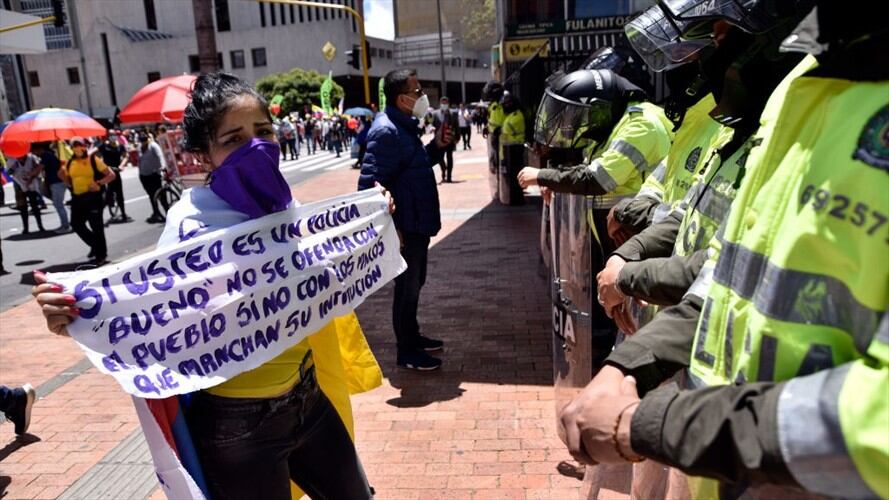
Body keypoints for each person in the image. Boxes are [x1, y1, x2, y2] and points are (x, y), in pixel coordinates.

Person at [558, 1, 889, 498]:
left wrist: (658, 425)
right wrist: (630, 363)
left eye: (717, 34)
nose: (702, 59)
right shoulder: (802, 87)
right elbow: (729, 270)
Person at [33, 72, 380, 500]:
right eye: (233, 138)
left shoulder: (285, 203)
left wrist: (373, 226)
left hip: (308, 399)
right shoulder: (190, 224)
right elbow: (152, 309)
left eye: (263, 131)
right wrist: (79, 314)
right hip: (240, 427)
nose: (256, 145)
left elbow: (321, 275)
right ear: (205, 155)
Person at [358, 68, 453, 371]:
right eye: (417, 91)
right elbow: (370, 186)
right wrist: (392, 228)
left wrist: (436, 146)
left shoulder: (403, 127)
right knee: (407, 287)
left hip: (417, 222)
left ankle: (413, 336)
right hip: (405, 228)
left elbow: (414, 166)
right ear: (401, 98)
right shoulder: (386, 131)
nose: (422, 96)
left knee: (416, 282)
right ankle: (407, 351)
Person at [61, 136, 115, 264]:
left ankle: (101, 254)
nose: (77, 148)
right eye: (74, 145)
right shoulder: (69, 163)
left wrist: (99, 183)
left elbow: (111, 175)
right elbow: (68, 181)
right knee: (76, 224)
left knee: (96, 226)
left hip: (93, 197)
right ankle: (95, 245)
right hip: (77, 198)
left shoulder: (93, 160)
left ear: (85, 146)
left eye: (79, 145)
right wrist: (63, 177)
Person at [33, 142, 70, 233]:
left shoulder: (46, 155)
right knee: (58, 204)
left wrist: (30, 174)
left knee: (58, 205)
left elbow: (39, 169)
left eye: (34, 151)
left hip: (57, 182)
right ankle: (65, 225)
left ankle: (65, 226)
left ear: (39, 149)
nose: (34, 153)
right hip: (56, 182)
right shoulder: (47, 155)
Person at [7, 150, 46, 234]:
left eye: (21, 157)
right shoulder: (12, 161)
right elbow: (9, 173)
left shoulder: (31, 158)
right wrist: (12, 169)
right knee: (23, 208)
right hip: (19, 186)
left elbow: (38, 168)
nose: (20, 158)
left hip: (32, 185)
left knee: (34, 206)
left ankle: (40, 226)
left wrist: (31, 177)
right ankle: (26, 228)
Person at [98, 133, 132, 223]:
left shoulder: (120, 146)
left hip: (116, 172)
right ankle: (98, 214)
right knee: (108, 195)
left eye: (115, 135)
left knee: (119, 194)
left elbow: (126, 156)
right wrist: (103, 166)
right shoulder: (104, 146)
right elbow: (96, 155)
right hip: (107, 172)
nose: (113, 137)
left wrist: (122, 165)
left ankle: (123, 214)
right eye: (111, 135)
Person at [138, 133, 167, 223]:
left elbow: (160, 156)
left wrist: (163, 166)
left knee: (161, 195)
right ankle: (156, 212)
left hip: (154, 174)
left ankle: (167, 211)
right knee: (151, 195)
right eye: (141, 141)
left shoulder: (153, 146)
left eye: (144, 141)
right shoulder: (139, 147)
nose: (143, 143)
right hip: (144, 175)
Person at [432, 96, 459, 183]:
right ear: (440, 104)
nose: (444, 104)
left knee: (449, 157)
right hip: (439, 140)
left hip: (449, 139)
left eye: (446, 103)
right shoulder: (435, 114)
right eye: (443, 103)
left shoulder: (452, 114)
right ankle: (444, 170)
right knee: (440, 158)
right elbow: (432, 125)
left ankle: (449, 177)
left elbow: (456, 127)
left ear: (448, 104)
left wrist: (457, 137)